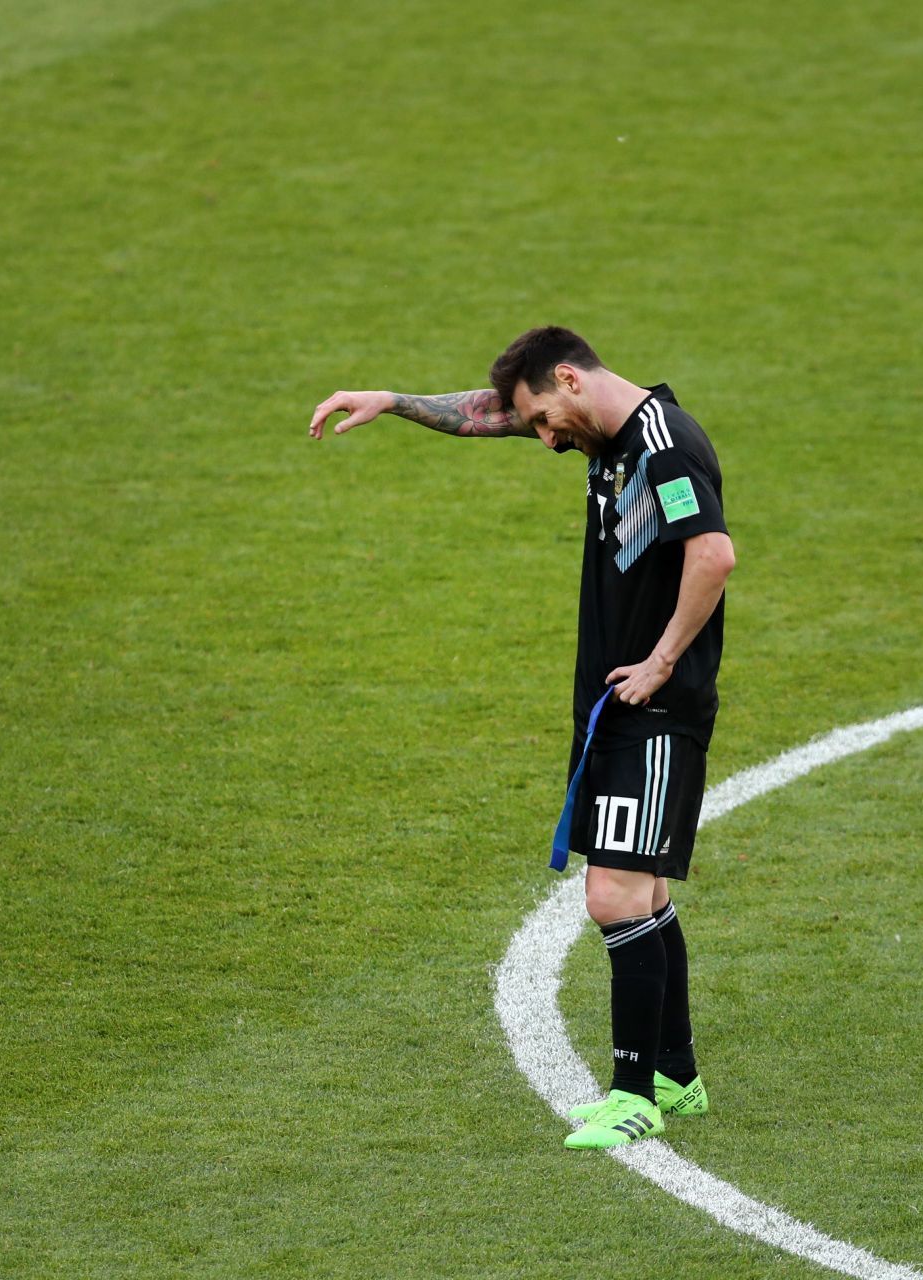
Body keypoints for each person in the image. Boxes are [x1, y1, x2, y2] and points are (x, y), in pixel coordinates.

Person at [308, 327, 734, 1149]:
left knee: (610, 896)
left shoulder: (664, 446)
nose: (541, 438)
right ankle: (677, 1076)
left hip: (652, 707)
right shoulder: (607, 431)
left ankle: (633, 1094)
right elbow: (489, 415)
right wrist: (392, 403)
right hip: (618, 705)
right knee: (643, 894)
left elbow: (712, 555)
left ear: (570, 380)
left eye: (544, 418)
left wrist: (659, 662)